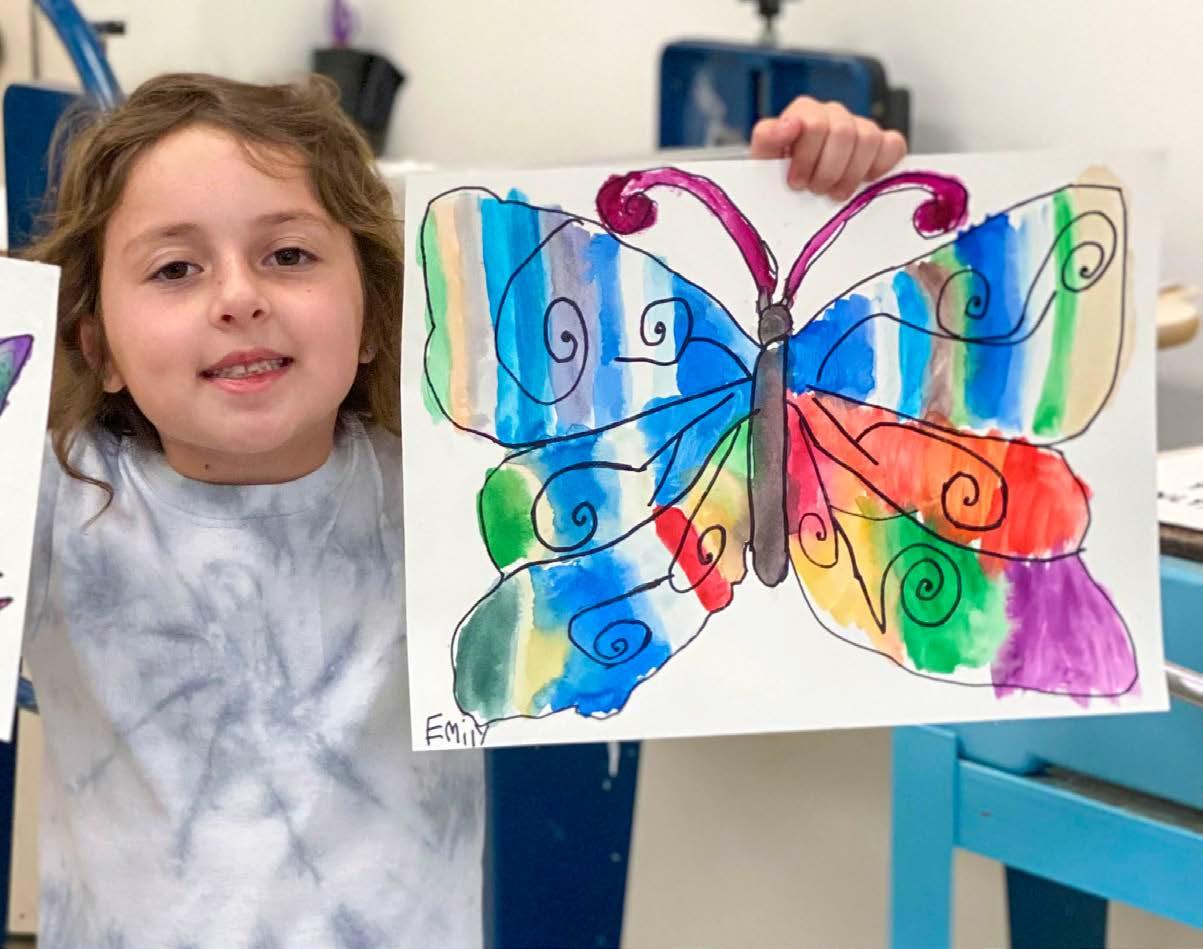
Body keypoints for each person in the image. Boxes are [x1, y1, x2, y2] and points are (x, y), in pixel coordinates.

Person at [19, 72, 905, 947]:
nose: (238, 296)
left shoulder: (455, 492)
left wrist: (808, 182)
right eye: (175, 268)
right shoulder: (51, 507)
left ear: (375, 315)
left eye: (288, 255)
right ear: (97, 346)